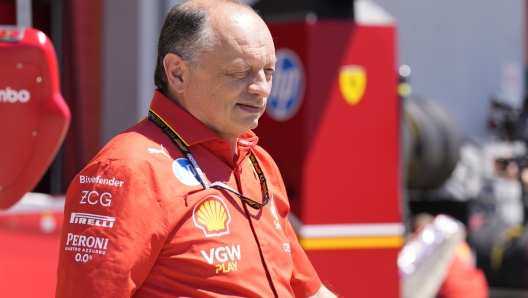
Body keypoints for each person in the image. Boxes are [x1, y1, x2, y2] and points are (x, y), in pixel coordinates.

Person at [55, 0, 335, 297]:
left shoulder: (257, 163)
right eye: (240, 71)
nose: (262, 88)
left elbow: (307, 290)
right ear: (177, 73)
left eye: (268, 72)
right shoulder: (126, 173)